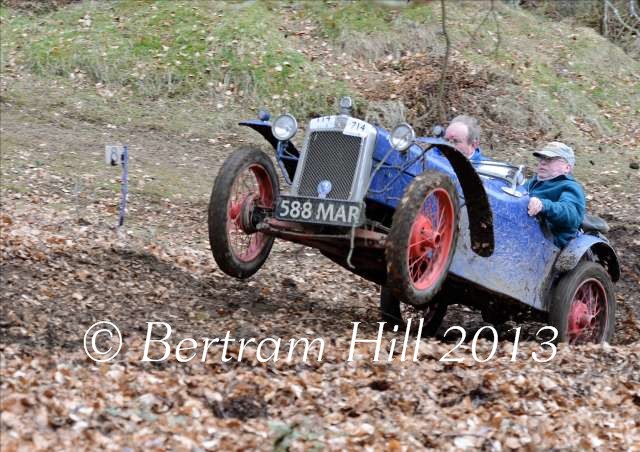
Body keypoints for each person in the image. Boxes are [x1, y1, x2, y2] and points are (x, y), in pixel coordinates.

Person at [527, 142, 586, 248]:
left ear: (567, 168)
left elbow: (570, 213)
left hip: (549, 242)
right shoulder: (533, 182)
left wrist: (542, 205)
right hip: (527, 228)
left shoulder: (570, 186)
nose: (542, 162)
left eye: (549, 159)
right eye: (541, 158)